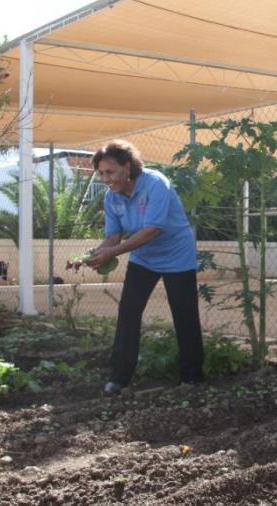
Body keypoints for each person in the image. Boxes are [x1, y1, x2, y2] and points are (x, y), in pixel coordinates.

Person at [86, 139, 204, 395]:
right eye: (102, 174)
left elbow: (152, 229)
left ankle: (192, 379)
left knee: (184, 315)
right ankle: (119, 378)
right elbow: (112, 237)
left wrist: (113, 252)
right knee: (128, 311)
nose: (106, 179)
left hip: (176, 256)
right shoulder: (111, 198)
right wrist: (91, 256)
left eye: (111, 172)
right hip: (143, 258)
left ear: (127, 167)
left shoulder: (155, 184)